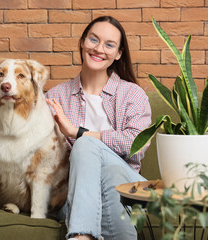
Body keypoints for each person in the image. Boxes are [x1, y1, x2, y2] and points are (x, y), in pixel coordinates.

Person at [45, 16, 152, 240]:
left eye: (109, 44)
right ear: (83, 42)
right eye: (93, 40)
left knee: (86, 145)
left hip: (130, 190)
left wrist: (77, 133)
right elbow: (44, 155)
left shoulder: (132, 94)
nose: (99, 49)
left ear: (119, 53)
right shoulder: (55, 97)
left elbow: (136, 145)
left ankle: (82, 236)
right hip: (76, 197)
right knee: (105, 173)